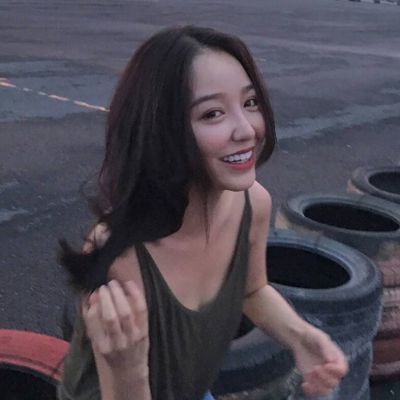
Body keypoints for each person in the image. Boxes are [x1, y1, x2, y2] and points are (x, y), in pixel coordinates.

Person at [57, 26, 348, 400]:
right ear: (161, 129)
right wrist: (126, 368)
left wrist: (302, 337)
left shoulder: (253, 204)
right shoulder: (120, 255)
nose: (246, 130)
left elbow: (252, 291)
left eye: (250, 102)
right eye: (212, 113)